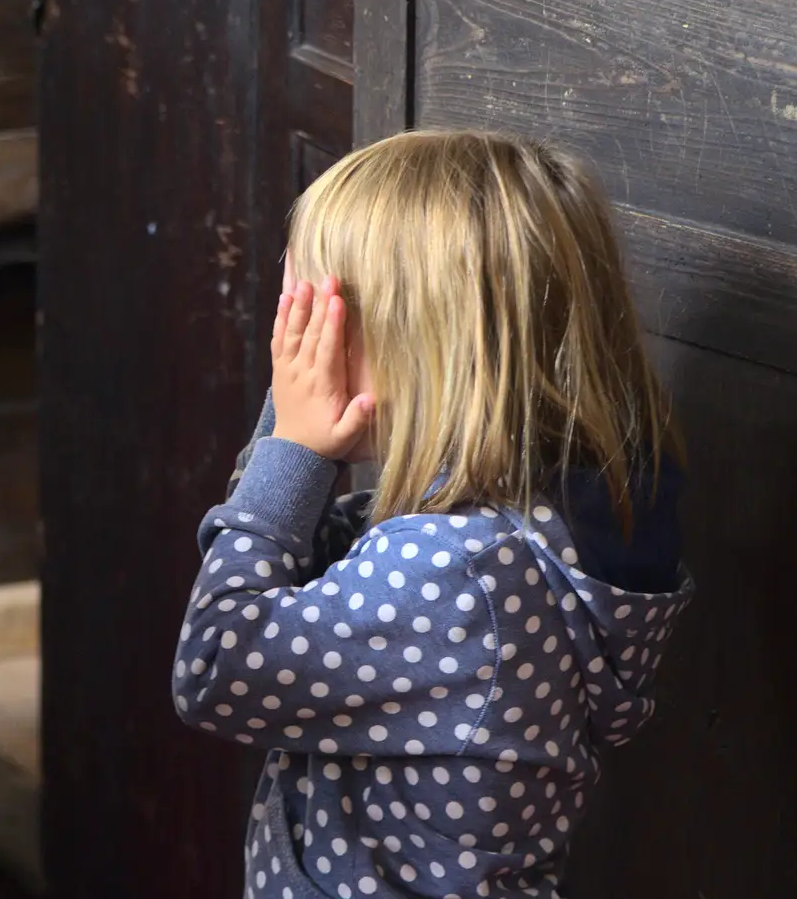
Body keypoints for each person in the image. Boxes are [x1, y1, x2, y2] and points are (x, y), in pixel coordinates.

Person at [172, 130, 692, 898]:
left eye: (318, 321)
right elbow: (302, 563)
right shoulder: (525, 530)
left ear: (416, 343)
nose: (299, 345)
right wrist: (292, 439)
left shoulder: (458, 572)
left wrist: (293, 447)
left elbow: (217, 666)